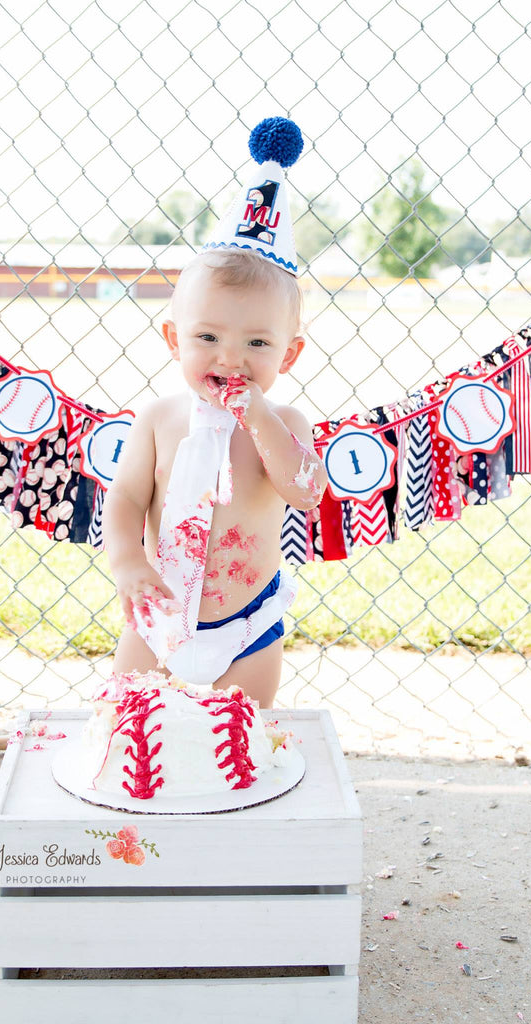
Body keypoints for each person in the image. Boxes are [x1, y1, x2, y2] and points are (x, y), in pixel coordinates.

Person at [102, 118, 327, 707]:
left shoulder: (287, 424)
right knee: (130, 726)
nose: (231, 359)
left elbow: (305, 491)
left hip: (247, 623)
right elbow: (124, 500)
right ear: (173, 338)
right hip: (159, 611)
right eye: (207, 338)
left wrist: (259, 417)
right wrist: (127, 559)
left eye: (257, 344)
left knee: (240, 736)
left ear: (290, 352)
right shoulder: (157, 418)